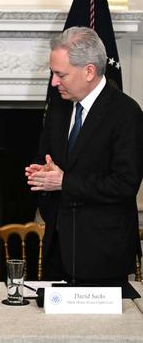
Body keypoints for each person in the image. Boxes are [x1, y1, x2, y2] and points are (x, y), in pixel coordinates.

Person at [25, 26, 143, 284]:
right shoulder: (58, 107)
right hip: (58, 248)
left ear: (89, 71)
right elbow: (44, 159)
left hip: (103, 253)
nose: (54, 82)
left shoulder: (126, 114)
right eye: (52, 73)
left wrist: (63, 182)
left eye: (60, 74)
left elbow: (125, 184)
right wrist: (41, 175)